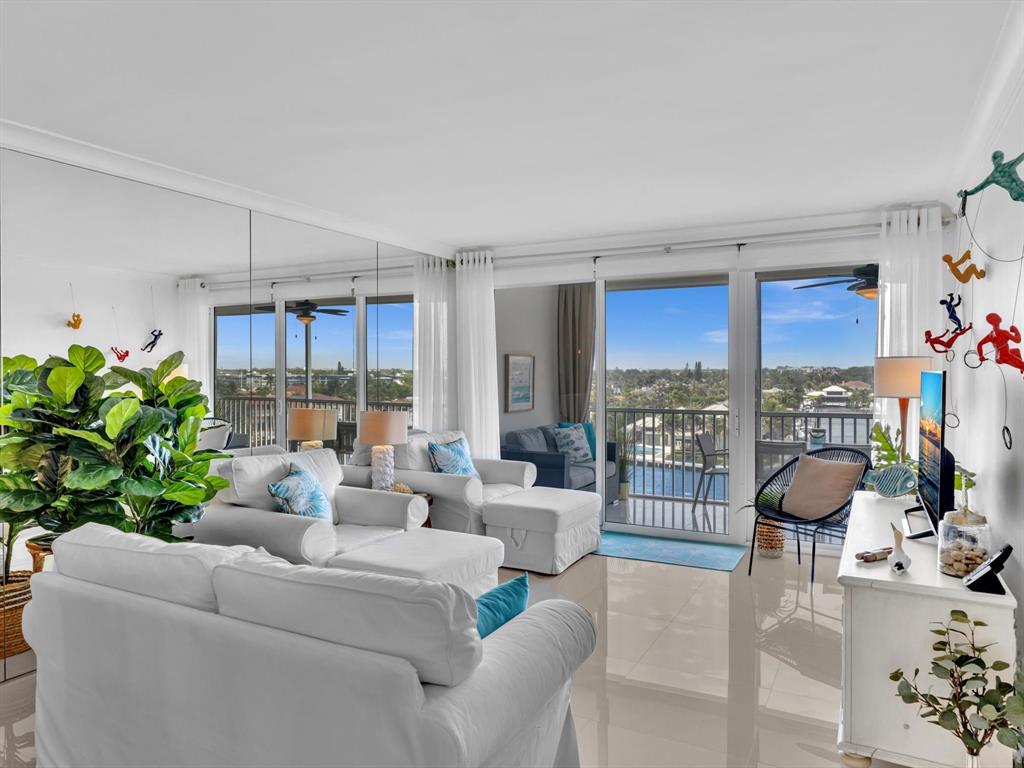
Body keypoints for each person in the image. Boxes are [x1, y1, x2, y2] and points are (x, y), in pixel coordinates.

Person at [958, 150, 1024, 202]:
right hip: (1018, 194)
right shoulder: (995, 175)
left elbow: (977, 189)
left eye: (1000, 157)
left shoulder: (994, 176)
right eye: (998, 158)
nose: (999, 160)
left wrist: (966, 194)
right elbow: (978, 188)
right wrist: (966, 194)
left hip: (1017, 194)